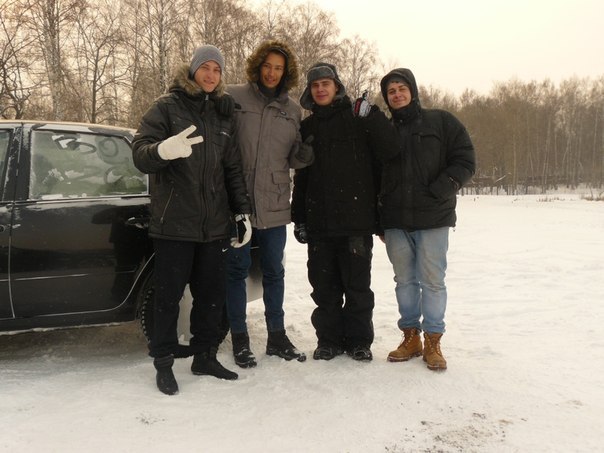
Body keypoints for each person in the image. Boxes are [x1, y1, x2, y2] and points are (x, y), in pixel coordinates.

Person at [133, 45, 252, 395]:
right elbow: (139, 153)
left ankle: (205, 356)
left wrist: (242, 211)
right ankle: (163, 363)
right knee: (168, 298)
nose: (211, 75)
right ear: (193, 70)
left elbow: (232, 169)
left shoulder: (223, 113)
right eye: (205, 68)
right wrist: (163, 150)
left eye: (217, 69)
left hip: (214, 225)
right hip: (174, 224)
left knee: (211, 296)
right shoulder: (166, 106)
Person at [291, 63, 399, 362]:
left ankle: (359, 341)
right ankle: (328, 340)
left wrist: (373, 114)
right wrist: (299, 218)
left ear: (336, 87)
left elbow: (390, 149)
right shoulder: (308, 128)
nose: (320, 89)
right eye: (315, 85)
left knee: (357, 288)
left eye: (326, 83)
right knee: (323, 288)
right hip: (320, 223)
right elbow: (302, 178)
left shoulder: (358, 118)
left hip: (356, 223)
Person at [379, 68, 476, 371]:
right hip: (395, 220)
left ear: (413, 91)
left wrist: (443, 188)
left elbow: (465, 158)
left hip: (434, 218)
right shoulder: (384, 131)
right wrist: (379, 218)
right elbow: (373, 174)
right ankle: (411, 337)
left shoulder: (441, 121)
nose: (396, 94)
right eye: (391, 91)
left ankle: (433, 340)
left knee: (433, 281)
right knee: (404, 281)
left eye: (401, 88)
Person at [225, 40, 313, 367]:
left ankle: (277, 337)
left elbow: (293, 158)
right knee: (236, 271)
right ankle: (240, 339)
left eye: (278, 68)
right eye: (267, 66)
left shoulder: (293, 110)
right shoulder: (233, 97)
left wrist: (304, 155)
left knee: (274, 272)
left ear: (286, 72)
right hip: (239, 203)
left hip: (275, 205)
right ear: (258, 66)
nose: (272, 73)